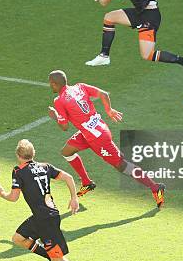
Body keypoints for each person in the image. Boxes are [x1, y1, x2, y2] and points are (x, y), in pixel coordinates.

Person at [48, 70, 165, 208]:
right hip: (93, 129)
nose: (50, 86)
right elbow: (103, 94)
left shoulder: (59, 101)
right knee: (67, 151)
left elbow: (64, 126)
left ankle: (155, 187)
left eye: (51, 83)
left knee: (121, 165)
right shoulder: (80, 87)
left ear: (55, 84)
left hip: (98, 139)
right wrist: (109, 110)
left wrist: (54, 115)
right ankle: (87, 182)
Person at [0, 139, 90, 261]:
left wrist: (2, 194)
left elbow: (13, 197)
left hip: (46, 221)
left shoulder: (18, 171)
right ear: (33, 154)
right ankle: (50, 257)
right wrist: (74, 198)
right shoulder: (45, 167)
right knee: (18, 238)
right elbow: (69, 177)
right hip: (43, 217)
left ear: (18, 156)